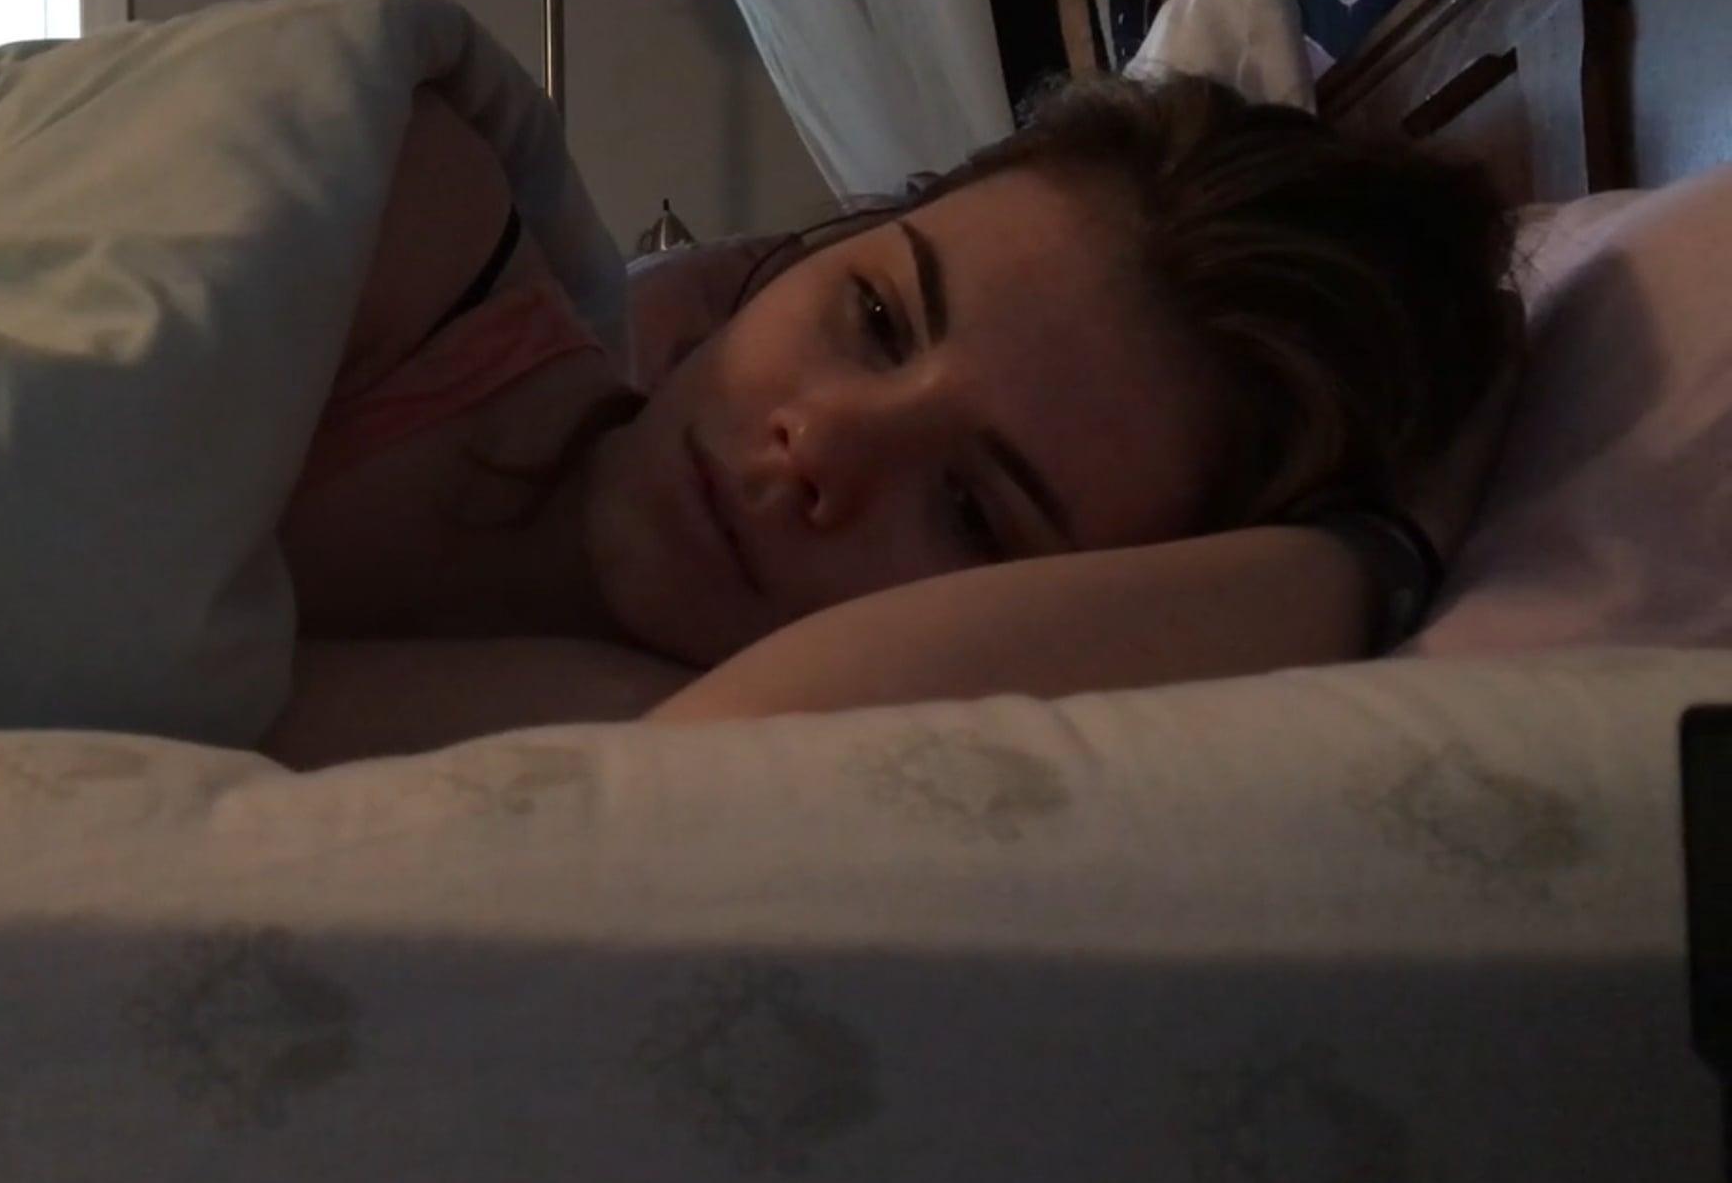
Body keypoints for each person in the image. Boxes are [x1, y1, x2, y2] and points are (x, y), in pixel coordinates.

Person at [263, 72, 1523, 767]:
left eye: (972, 511)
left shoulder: (651, 733)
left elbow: (721, 757)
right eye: (874, 314)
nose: (824, 442)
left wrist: (1367, 554)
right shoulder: (410, 232)